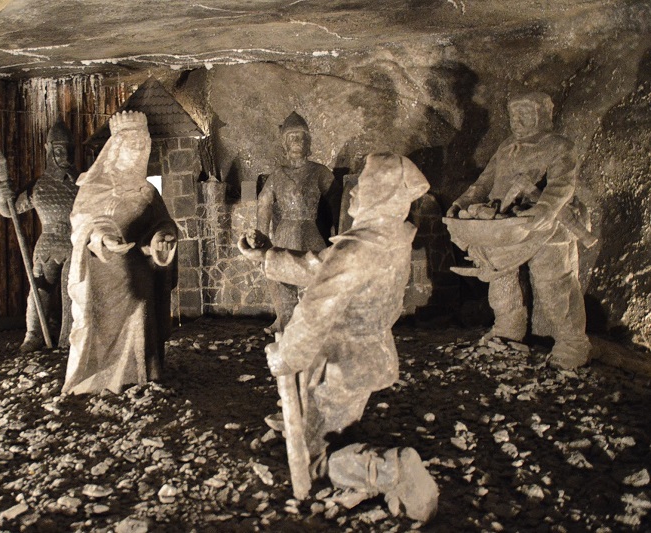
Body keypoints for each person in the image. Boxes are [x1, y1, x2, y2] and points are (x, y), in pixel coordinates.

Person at [239, 153, 438, 522]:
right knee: (334, 426)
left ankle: (393, 470)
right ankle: (331, 440)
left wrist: (288, 355)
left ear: (378, 192)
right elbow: (321, 266)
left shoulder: (358, 248)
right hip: (369, 355)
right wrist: (267, 256)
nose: (356, 191)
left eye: (364, 184)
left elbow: (316, 308)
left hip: (342, 362)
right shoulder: (390, 236)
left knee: (314, 461)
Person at [446, 92, 591, 370]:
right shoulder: (507, 146)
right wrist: (461, 203)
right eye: (514, 114)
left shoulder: (559, 145)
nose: (518, 120)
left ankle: (572, 343)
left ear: (542, 114)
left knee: (554, 284)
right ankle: (507, 331)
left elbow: (562, 184)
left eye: (525, 113)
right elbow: (483, 182)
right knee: (501, 280)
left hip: (546, 225)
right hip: (505, 224)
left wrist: (542, 210)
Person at [62, 111, 177, 395]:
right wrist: (101, 236)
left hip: (138, 271)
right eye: (131, 146)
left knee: (142, 319)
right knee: (100, 329)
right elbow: (81, 224)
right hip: (103, 273)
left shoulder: (147, 191)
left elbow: (163, 223)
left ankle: (143, 375)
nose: (137, 152)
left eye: (142, 146)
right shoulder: (93, 186)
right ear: (116, 149)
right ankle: (100, 376)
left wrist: (162, 236)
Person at [0, 120, 78, 352]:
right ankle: (33, 334)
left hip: (77, 243)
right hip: (48, 244)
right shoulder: (39, 186)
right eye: (59, 150)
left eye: (69, 149)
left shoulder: (82, 183)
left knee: (75, 290)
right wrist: (1, 195)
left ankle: (72, 335)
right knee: (40, 290)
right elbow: (10, 210)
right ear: (49, 150)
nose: (65, 155)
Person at [256, 111, 340, 332]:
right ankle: (283, 317)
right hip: (285, 229)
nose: (297, 141)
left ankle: (316, 319)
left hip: (309, 228)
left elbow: (336, 197)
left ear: (308, 141)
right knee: (277, 271)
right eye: (292, 137)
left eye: (301, 137)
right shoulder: (277, 176)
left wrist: (338, 227)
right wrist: (261, 236)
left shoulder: (318, 171)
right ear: (284, 143)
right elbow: (264, 204)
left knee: (318, 271)